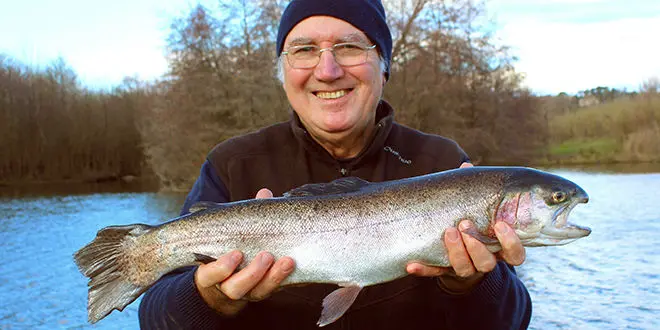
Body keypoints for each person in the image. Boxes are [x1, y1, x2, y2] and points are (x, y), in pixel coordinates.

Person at [139, 0, 531, 328]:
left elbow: (514, 320)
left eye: (349, 47)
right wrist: (208, 298)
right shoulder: (232, 164)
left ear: (383, 66)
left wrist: (474, 284)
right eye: (305, 50)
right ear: (284, 72)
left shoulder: (444, 164)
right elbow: (155, 318)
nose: (327, 71)